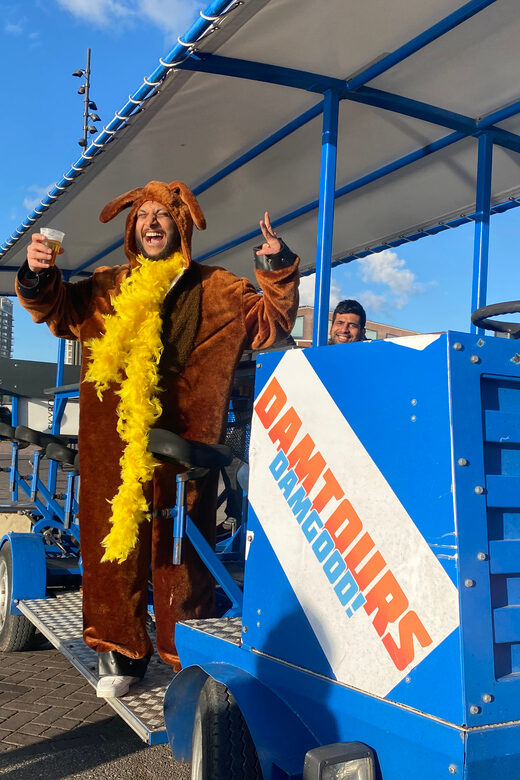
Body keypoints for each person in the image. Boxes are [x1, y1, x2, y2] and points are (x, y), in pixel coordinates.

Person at [16, 180, 299, 697]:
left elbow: (272, 325)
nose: (152, 222)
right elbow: (56, 311)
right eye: (144, 214)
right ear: (132, 227)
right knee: (112, 548)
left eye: (163, 215)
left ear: (181, 226)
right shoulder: (105, 286)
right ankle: (118, 650)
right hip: (112, 442)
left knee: (183, 550)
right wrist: (38, 273)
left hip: (183, 442)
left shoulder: (216, 288)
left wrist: (276, 268)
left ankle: (182, 649)